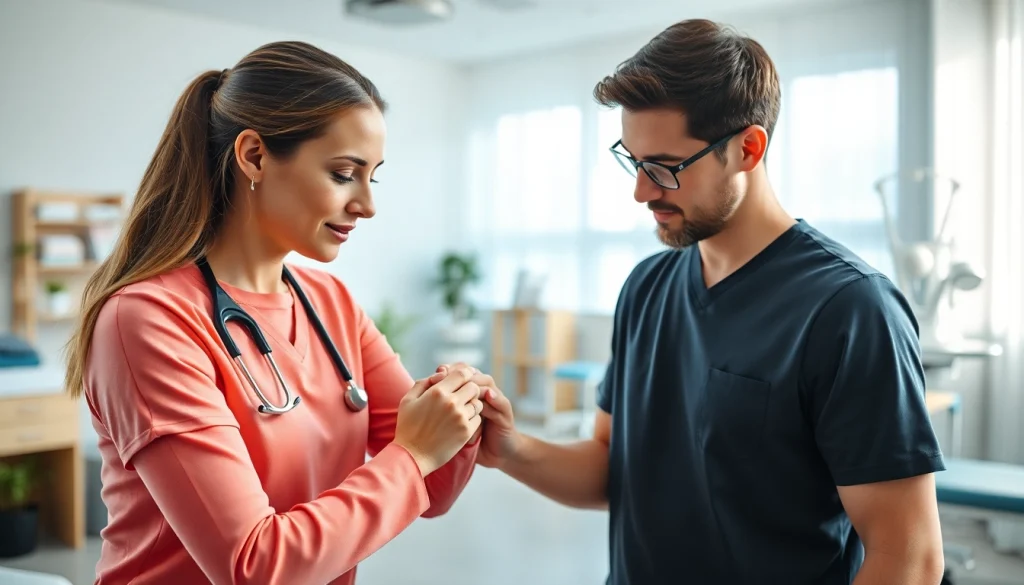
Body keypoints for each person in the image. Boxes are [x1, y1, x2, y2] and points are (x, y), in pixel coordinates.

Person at [476, 18, 947, 585]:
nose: (642, 190)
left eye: (666, 168)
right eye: (634, 160)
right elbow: (612, 471)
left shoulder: (850, 310)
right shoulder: (646, 288)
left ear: (747, 148)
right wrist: (510, 447)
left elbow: (909, 560)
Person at [64, 41, 490, 585]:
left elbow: (429, 489)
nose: (367, 204)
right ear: (255, 156)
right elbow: (254, 567)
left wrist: (464, 417)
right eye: (343, 174)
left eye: (372, 176)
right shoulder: (149, 319)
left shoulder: (329, 302)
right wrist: (413, 453)